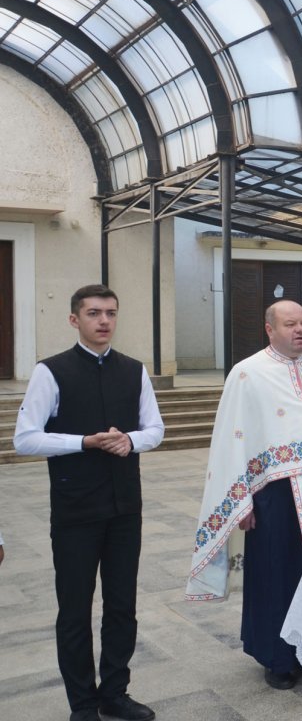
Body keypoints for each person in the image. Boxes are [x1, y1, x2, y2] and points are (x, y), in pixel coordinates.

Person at [186, 300, 302, 690]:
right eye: (290, 324)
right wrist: (241, 501)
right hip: (277, 493)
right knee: (278, 573)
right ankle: (279, 658)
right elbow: (232, 440)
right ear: (269, 329)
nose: (300, 330)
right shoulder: (246, 373)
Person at [14, 284, 164, 721]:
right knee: (75, 611)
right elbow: (25, 439)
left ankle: (115, 693)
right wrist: (83, 442)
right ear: (74, 319)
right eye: (94, 313)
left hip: (124, 509)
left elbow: (155, 428)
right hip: (75, 510)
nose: (104, 321)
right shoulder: (51, 371)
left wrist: (130, 440)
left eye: (111, 313)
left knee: (122, 606)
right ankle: (82, 703)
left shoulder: (134, 370)